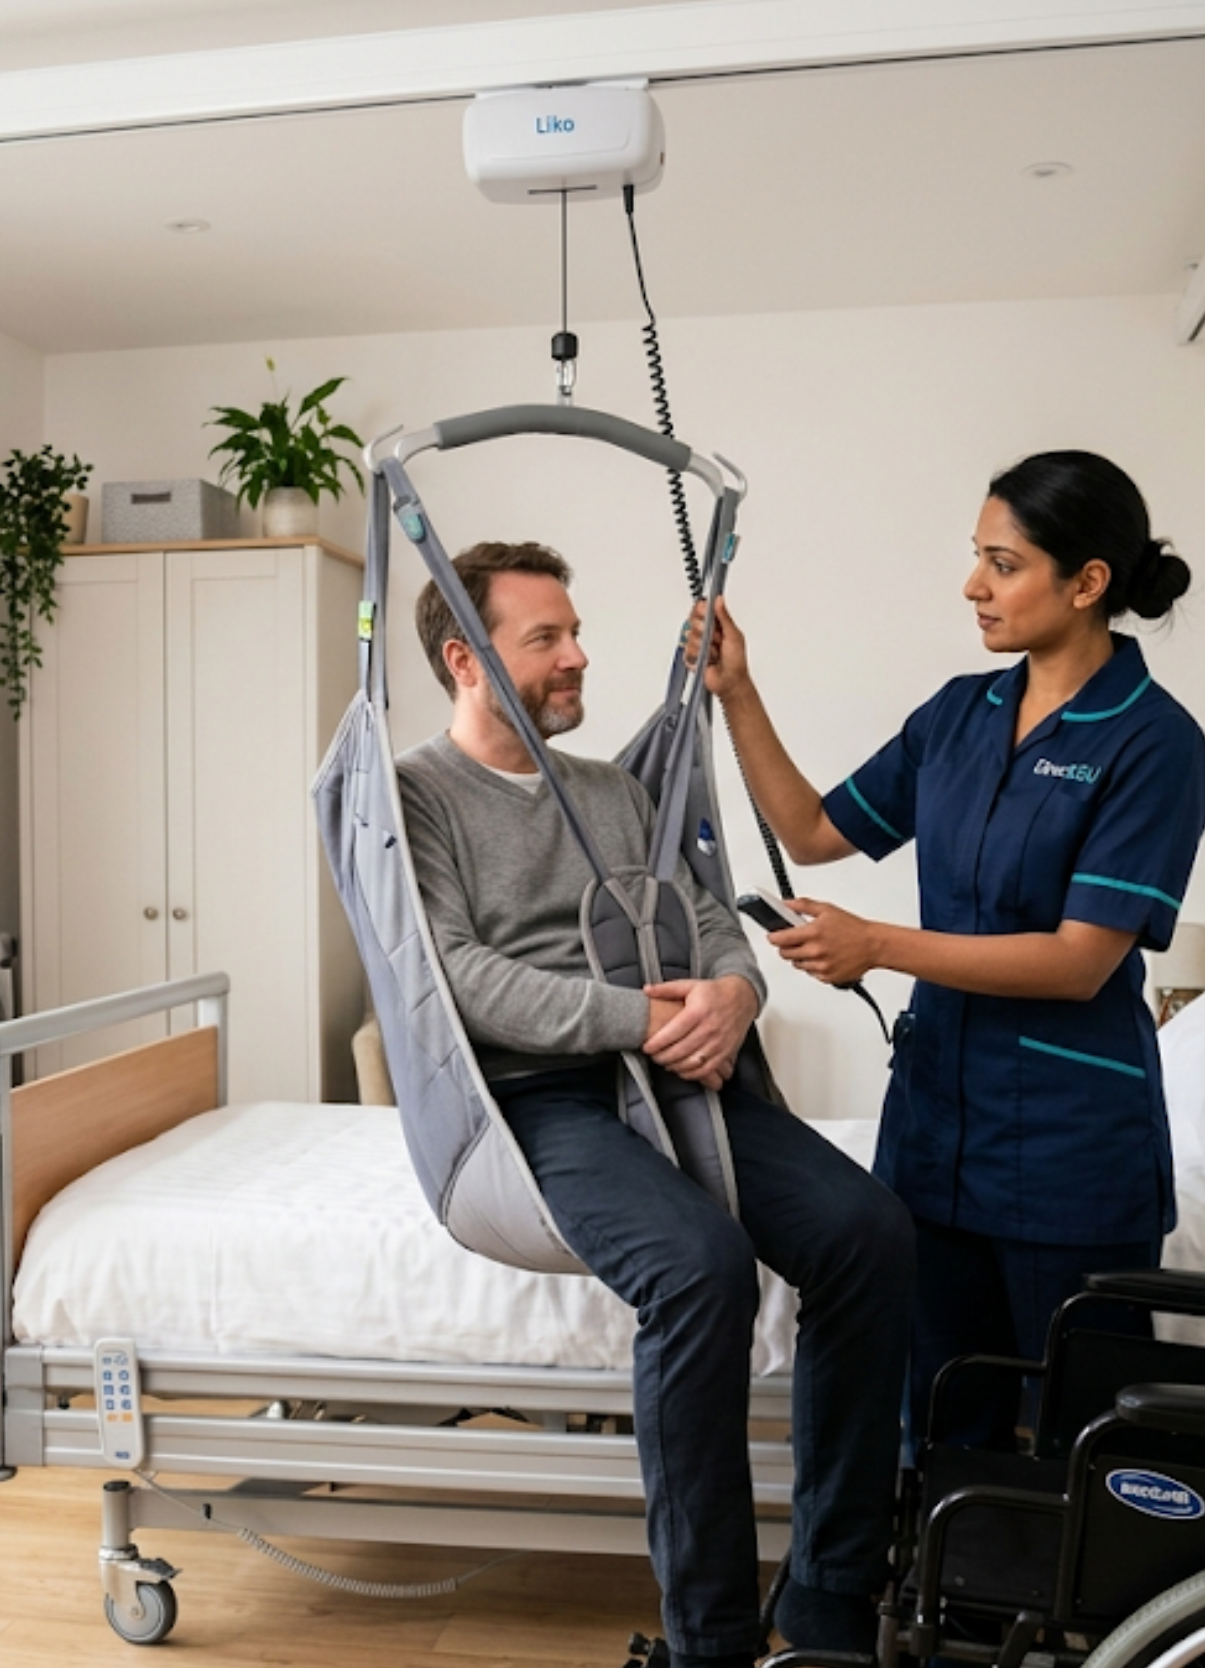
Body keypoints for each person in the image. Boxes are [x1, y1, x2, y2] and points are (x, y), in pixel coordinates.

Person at [398, 540, 914, 1668]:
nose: (580, 655)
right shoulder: (412, 798)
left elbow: (709, 911)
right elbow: (457, 978)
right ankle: (710, 1647)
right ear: (465, 659)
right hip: (543, 1099)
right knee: (701, 1266)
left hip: (684, 1068)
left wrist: (734, 992)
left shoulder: (618, 790)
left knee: (870, 1235)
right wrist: (639, 1022)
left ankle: (827, 1603)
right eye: (547, 639)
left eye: (574, 630)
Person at [687, 451, 1205, 1453]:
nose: (974, 584)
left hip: (1071, 1150)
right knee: (936, 1413)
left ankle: (1089, 1617)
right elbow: (808, 831)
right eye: (978, 557)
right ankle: (947, 1608)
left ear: (1088, 582)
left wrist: (876, 944)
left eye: (1003, 563)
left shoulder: (1154, 743)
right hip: (934, 1132)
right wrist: (738, 691)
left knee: (1087, 1435)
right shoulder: (959, 717)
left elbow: (1078, 962)